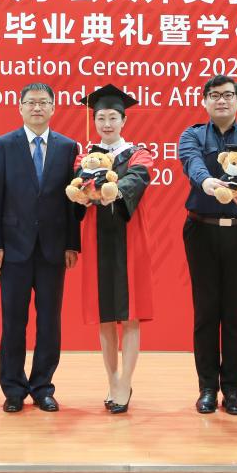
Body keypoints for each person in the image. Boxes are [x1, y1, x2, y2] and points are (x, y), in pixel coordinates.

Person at [0, 82, 80, 413]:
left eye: (43, 102)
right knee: (13, 321)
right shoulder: (3, 145)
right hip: (13, 248)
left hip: (53, 248)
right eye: (31, 102)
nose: (37, 108)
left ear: (53, 107)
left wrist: (72, 243)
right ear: (20, 107)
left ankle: (43, 387)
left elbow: (72, 201)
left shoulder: (68, 147)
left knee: (49, 321)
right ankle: (13, 388)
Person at [177, 74, 237, 416]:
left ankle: (232, 389)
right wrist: (208, 183)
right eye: (214, 95)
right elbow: (192, 163)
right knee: (205, 311)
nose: (222, 100)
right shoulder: (192, 135)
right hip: (201, 229)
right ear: (204, 101)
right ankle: (206, 388)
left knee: (235, 312)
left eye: (228, 95)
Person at [74, 84, 154, 414]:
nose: (106, 124)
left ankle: (126, 381)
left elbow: (138, 179)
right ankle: (112, 380)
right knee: (105, 315)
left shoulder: (138, 153)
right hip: (97, 240)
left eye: (112, 118)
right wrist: (84, 192)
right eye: (101, 118)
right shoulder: (85, 156)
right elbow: (78, 185)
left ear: (124, 120)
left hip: (129, 237)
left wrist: (112, 191)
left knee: (130, 315)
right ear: (94, 120)